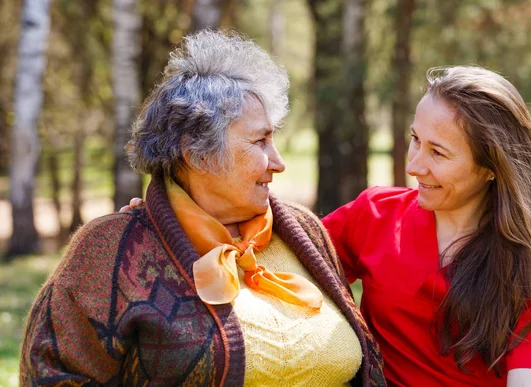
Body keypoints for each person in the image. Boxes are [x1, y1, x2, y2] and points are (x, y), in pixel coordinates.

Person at [20, 30, 385, 386]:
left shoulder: (303, 231)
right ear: (198, 153)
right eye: (260, 141)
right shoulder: (110, 250)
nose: (278, 162)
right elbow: (52, 373)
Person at [322, 66, 531, 386]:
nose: (414, 166)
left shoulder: (529, 262)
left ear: (491, 167)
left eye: (438, 153)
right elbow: (284, 264)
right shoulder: (374, 215)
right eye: (415, 139)